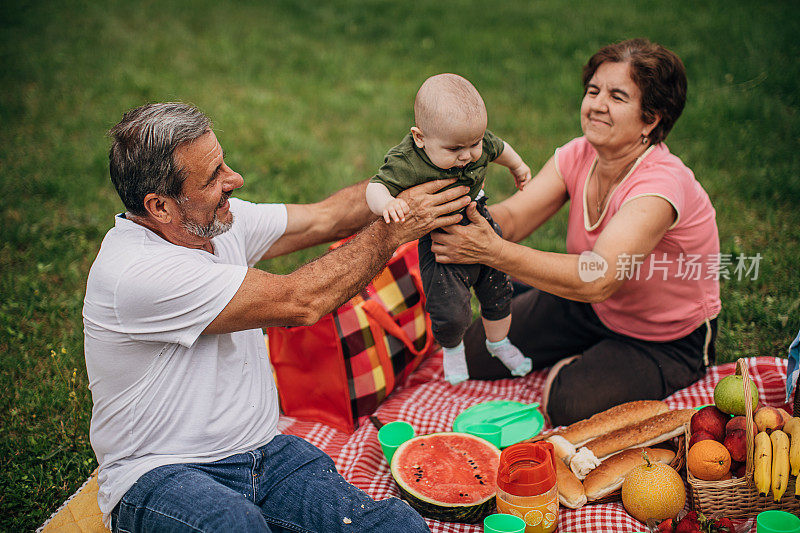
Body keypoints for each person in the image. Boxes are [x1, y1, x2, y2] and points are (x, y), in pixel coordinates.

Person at [83, 102, 470, 532]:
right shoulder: (139, 274)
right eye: (213, 176)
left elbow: (325, 218)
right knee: (237, 526)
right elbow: (301, 301)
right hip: (160, 475)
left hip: (263, 457)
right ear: (159, 207)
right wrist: (397, 228)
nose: (235, 179)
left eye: (223, 162)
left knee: (396, 527)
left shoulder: (210, 222)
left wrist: (412, 178)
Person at [430, 39, 721, 426]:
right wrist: (456, 216)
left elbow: (598, 278)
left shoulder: (660, 187)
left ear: (650, 118)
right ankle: (539, 300)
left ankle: (575, 342)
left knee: (566, 403)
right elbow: (514, 218)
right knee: (473, 352)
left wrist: (491, 252)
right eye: (593, 91)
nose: (597, 104)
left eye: (617, 96)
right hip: (590, 306)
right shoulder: (579, 154)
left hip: (663, 338)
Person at [366, 73, 533, 385]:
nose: (468, 154)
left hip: (482, 224)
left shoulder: (475, 144)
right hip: (441, 242)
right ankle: (453, 349)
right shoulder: (408, 159)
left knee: (499, 293)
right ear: (420, 138)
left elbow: (500, 148)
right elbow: (375, 187)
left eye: (474, 143)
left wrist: (518, 166)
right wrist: (386, 204)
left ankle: (498, 343)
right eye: (456, 148)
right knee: (451, 311)